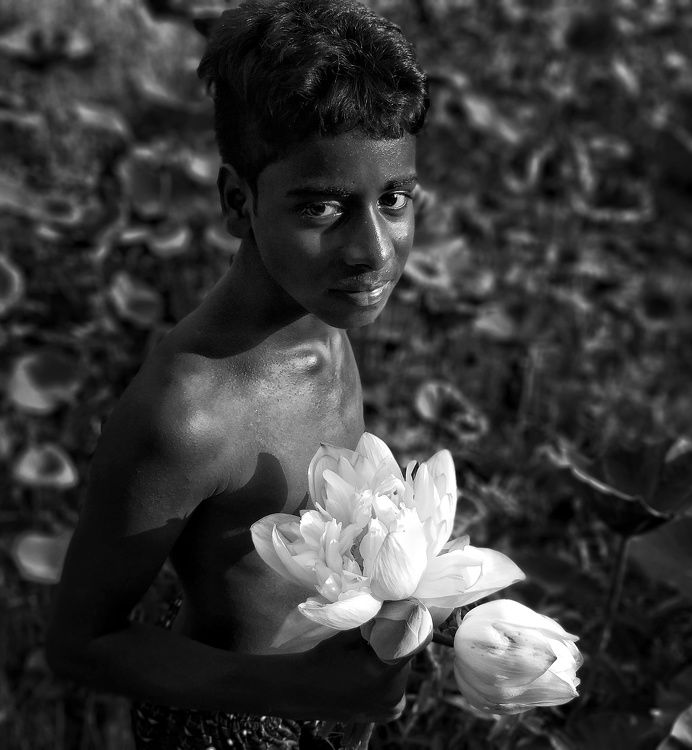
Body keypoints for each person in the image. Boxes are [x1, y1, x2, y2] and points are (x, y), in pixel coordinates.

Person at [45, 1, 430, 747]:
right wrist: (296, 690)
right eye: (322, 207)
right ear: (237, 202)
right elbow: (80, 642)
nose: (374, 252)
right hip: (228, 725)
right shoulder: (190, 412)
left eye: (394, 200)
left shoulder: (324, 315)